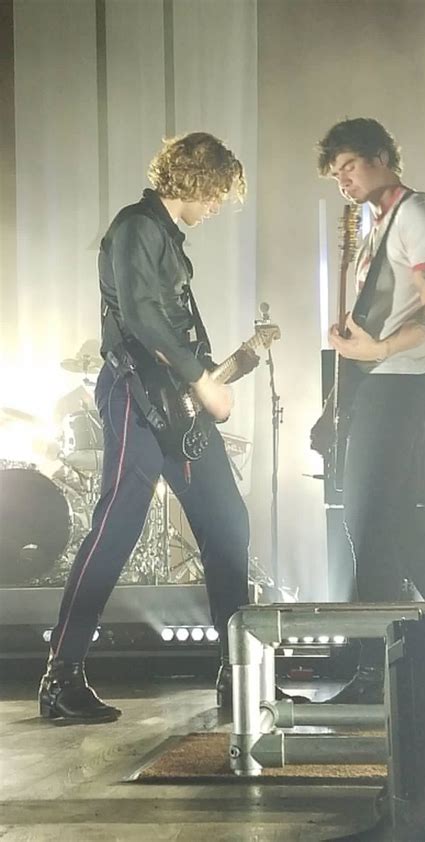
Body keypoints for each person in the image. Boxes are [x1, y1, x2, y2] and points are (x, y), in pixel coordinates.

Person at [39, 132, 258, 723]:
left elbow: (172, 322)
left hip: (174, 402)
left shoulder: (165, 238)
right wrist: (201, 378)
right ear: (195, 179)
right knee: (117, 524)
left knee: (226, 520)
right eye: (216, 192)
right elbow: (139, 318)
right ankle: (62, 676)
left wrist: (208, 373)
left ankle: (238, 674)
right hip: (136, 393)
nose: (217, 206)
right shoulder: (137, 226)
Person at [310, 118, 425, 703]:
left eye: (349, 167)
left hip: (404, 381)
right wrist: (354, 342)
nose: (343, 182)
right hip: (377, 379)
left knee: (370, 524)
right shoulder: (378, 220)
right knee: (389, 520)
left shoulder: (420, 213)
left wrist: (375, 348)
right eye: (336, 175)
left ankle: (373, 669)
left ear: (380, 157)